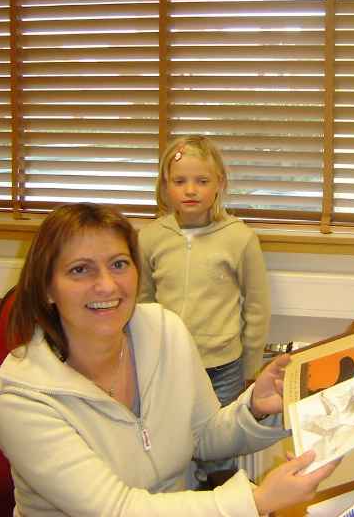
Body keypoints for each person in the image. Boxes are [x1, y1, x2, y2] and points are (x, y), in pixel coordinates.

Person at [0, 203, 338, 516]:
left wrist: (255, 410)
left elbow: (202, 436)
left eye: (119, 264)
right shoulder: (22, 397)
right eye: (81, 270)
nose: (107, 285)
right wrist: (255, 501)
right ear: (46, 288)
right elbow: (115, 509)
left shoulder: (164, 330)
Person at [138, 135, 270, 477]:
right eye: (180, 181)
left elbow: (257, 306)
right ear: (165, 186)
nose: (191, 190)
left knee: (219, 451)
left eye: (202, 181)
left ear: (220, 184)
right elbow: (142, 303)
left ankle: (220, 494)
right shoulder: (149, 237)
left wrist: (251, 365)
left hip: (222, 367)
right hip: (168, 364)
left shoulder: (239, 238)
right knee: (173, 446)